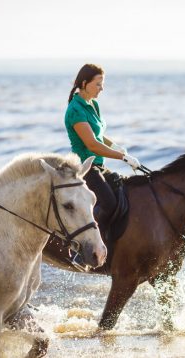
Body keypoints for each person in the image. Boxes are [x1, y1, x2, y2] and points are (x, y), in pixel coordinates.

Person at [64, 64, 140, 237]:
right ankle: (84, 245)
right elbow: (92, 144)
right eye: (98, 84)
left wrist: (117, 148)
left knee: (122, 193)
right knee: (108, 203)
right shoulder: (75, 110)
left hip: (98, 164)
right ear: (84, 83)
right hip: (85, 167)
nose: (102, 88)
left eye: (102, 83)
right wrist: (123, 158)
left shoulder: (93, 105)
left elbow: (98, 135)